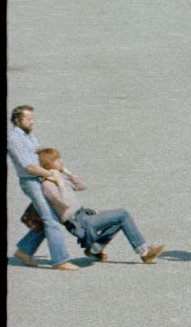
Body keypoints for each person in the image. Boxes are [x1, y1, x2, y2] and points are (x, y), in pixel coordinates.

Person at [36, 147, 166, 265]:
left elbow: (82, 186)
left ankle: (94, 249)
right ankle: (144, 252)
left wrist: (66, 172)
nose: (61, 160)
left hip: (84, 216)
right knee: (122, 214)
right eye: (57, 160)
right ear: (49, 164)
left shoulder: (60, 179)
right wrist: (60, 182)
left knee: (119, 221)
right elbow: (64, 204)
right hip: (78, 223)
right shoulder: (47, 185)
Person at [9, 104, 78, 270]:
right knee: (50, 219)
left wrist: (55, 168)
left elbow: (39, 158)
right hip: (30, 181)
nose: (32, 122)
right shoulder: (14, 138)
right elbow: (29, 166)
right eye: (28, 119)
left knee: (48, 216)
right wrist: (52, 175)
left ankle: (24, 251)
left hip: (39, 178)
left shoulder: (28, 135)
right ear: (18, 120)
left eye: (32, 118)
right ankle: (60, 261)